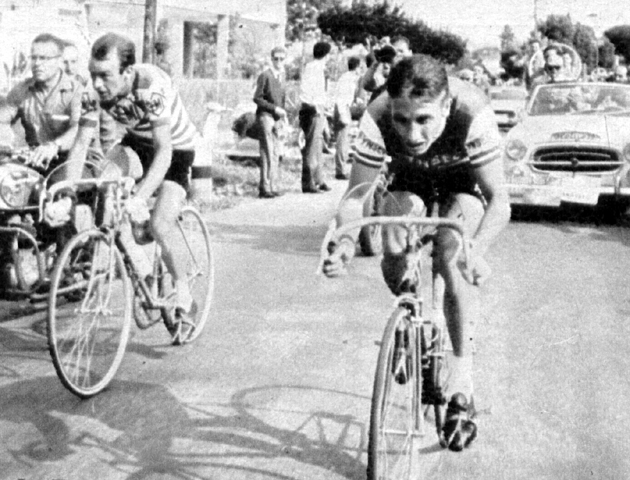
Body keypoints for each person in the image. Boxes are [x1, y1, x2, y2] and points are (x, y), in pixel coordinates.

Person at [323, 55, 511, 451]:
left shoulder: (472, 110)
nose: (411, 133)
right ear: (391, 107)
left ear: (445, 106)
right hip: (409, 180)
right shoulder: (376, 114)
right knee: (392, 240)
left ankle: (461, 382)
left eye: (423, 119)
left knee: (452, 255)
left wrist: (477, 250)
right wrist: (343, 242)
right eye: (402, 120)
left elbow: (500, 201)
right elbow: (355, 197)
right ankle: (410, 324)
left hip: (462, 182)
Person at [60, 33, 201, 343]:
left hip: (175, 149)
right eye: (93, 74)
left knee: (159, 225)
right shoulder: (91, 91)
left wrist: (139, 197)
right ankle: (140, 265)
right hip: (136, 143)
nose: (96, 84)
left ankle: (182, 289)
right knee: (104, 179)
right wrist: (67, 192)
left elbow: (164, 151)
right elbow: (82, 143)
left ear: (127, 71)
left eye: (105, 76)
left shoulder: (150, 86)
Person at [0, 33, 83, 171]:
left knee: (61, 191)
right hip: (34, 160)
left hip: (69, 162)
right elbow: (2, 118)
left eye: (44, 58)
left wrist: (54, 146)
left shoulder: (77, 91)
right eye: (34, 58)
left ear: (59, 61)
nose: (37, 63)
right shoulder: (22, 89)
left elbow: (78, 129)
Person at [253, 46, 287, 198]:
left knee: (275, 152)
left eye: (282, 59)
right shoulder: (265, 75)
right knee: (267, 151)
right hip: (266, 115)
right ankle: (264, 187)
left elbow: (282, 98)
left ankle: (273, 186)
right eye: (276, 58)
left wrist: (282, 115)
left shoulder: (282, 75)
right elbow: (257, 98)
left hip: (276, 117)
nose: (279, 61)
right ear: (271, 59)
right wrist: (274, 109)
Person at [299, 41, 331, 193]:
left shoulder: (320, 68)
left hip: (319, 110)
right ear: (326, 54)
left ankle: (319, 179)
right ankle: (308, 182)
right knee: (311, 147)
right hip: (312, 111)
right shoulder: (312, 68)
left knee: (318, 146)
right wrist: (315, 107)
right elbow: (306, 91)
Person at [332, 56, 361, 180]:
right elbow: (340, 99)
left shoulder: (349, 78)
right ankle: (340, 170)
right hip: (342, 111)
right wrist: (343, 115)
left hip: (345, 109)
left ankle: (342, 168)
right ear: (357, 67)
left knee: (344, 141)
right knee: (342, 141)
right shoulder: (347, 79)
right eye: (360, 67)